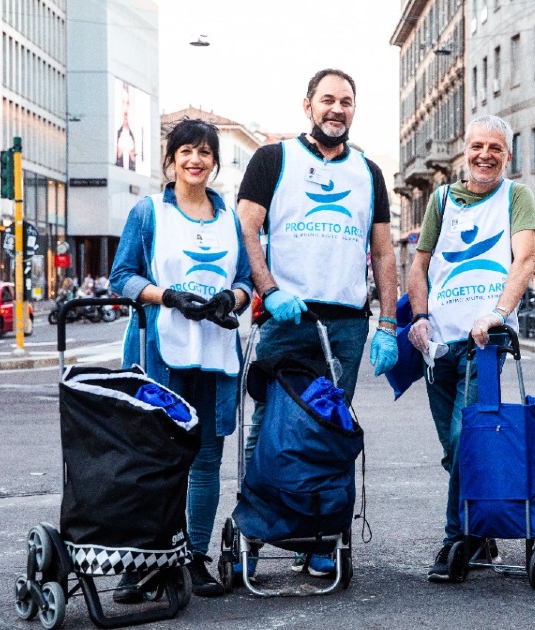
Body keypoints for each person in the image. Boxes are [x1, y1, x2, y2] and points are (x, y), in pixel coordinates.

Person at [236, 68, 398, 578]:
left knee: (329, 429)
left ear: (354, 109)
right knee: (268, 427)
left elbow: (383, 251)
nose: (337, 109)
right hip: (286, 318)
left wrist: (389, 323)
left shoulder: (368, 172)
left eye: (346, 101)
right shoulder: (274, 159)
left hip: (345, 323)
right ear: (307, 105)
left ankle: (320, 538)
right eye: (327, 99)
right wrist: (269, 290)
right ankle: (255, 532)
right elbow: (246, 227)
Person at [110, 118, 252, 599]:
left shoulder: (229, 216)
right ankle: (148, 559)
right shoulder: (148, 212)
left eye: (205, 153)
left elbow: (246, 282)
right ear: (171, 160)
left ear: (214, 163)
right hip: (159, 352)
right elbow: (121, 277)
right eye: (186, 152)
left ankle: (192, 556)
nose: (196, 160)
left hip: (214, 353)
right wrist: (166, 296)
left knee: (206, 459)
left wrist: (229, 301)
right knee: (155, 457)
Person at [406, 115, 535, 582]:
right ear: (466, 151)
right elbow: (418, 267)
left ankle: (454, 541)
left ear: (508, 155)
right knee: (452, 448)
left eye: (496, 148)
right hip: (438, 344)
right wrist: (419, 317)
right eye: (478, 146)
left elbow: (525, 260)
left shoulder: (516, 197)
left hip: (484, 343)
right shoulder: (441, 200)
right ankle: (481, 533)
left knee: (467, 438)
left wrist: (499, 313)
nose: (485, 155)